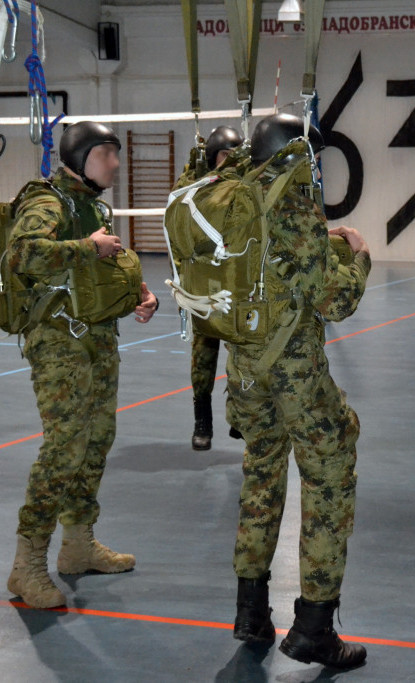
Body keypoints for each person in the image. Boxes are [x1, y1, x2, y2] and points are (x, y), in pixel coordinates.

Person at [225, 112, 371, 669]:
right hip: (294, 374)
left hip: (244, 371)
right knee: (329, 475)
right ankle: (314, 629)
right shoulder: (293, 207)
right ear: (298, 155)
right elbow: (336, 300)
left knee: (262, 473)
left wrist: (318, 243)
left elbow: (274, 262)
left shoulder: (237, 198)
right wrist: (358, 257)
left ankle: (251, 612)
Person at [5, 121, 159, 609]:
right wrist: (89, 247)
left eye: (115, 153)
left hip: (97, 338)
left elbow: (95, 274)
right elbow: (22, 255)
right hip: (58, 343)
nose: (115, 163)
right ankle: (27, 565)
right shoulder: (47, 202)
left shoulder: (91, 205)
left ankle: (77, 545)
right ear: (80, 157)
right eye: (105, 153)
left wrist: (139, 296)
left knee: (96, 440)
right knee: (65, 447)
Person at [173, 125, 244, 450]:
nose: (229, 161)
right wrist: (195, 167)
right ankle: (202, 420)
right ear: (212, 157)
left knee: (241, 353)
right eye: (223, 155)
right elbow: (176, 213)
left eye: (234, 155)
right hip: (203, 283)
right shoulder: (195, 188)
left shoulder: (244, 187)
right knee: (203, 358)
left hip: (235, 283)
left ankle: (239, 414)